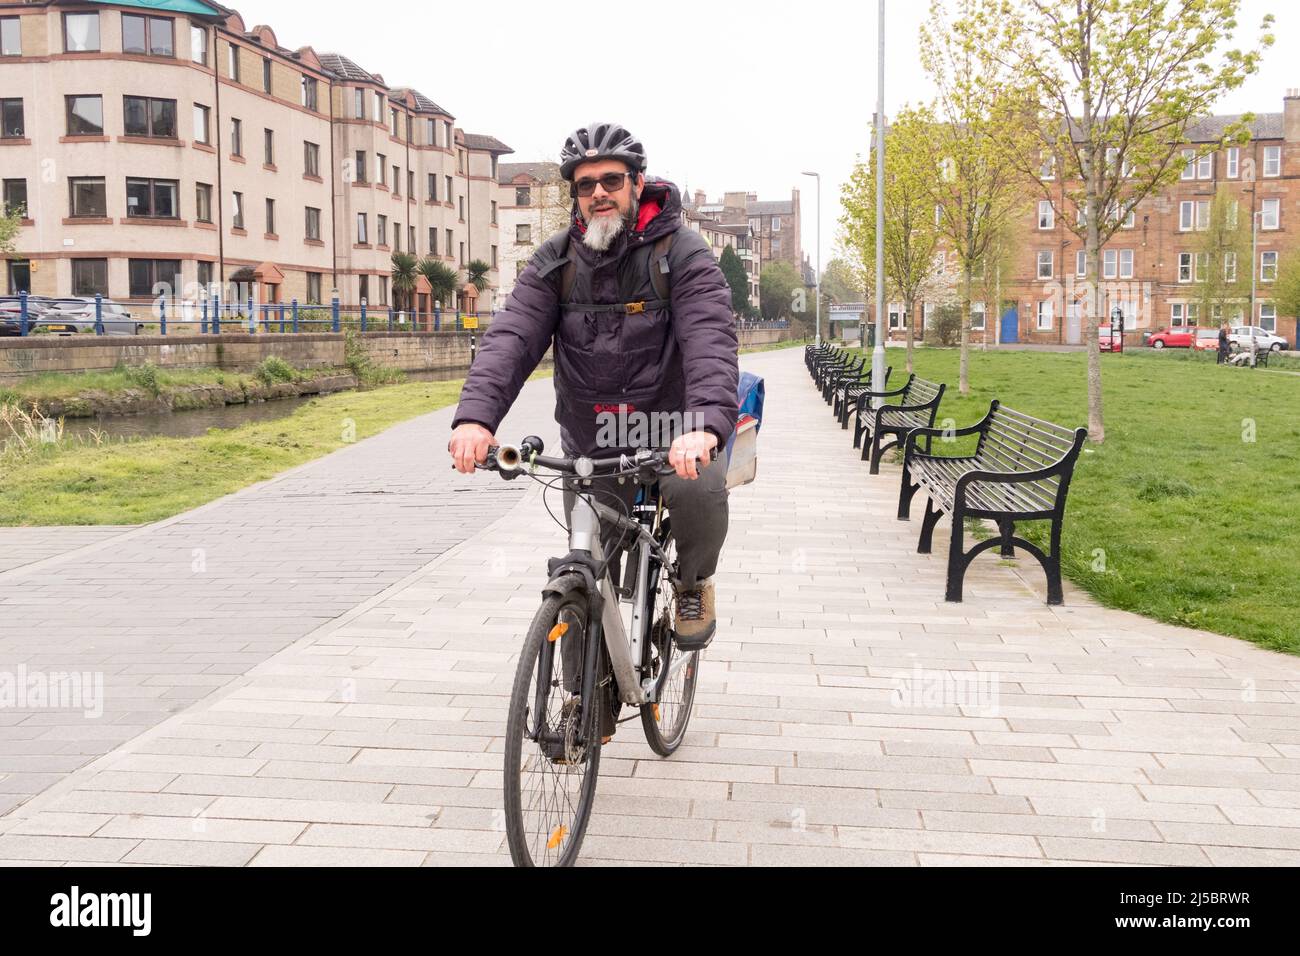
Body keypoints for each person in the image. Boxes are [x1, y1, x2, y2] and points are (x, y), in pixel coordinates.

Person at [448, 122, 739, 651]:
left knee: (698, 491)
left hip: (672, 429)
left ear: (636, 182)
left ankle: (693, 583)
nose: (599, 192)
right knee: (586, 569)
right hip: (592, 440)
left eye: (611, 180)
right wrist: (476, 417)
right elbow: (511, 337)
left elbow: (709, 340)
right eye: (585, 185)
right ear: (575, 195)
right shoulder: (557, 260)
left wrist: (701, 428)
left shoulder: (682, 253)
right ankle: (581, 717)